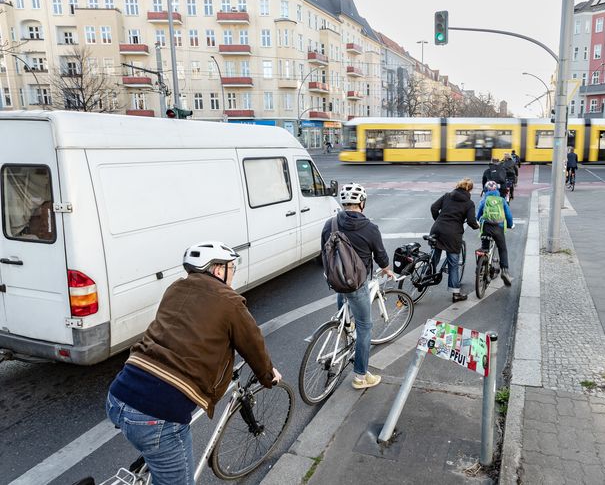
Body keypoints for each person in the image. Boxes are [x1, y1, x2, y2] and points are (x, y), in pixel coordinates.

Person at [106, 242, 280, 485]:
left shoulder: (175, 288)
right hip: (157, 414)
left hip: (118, 396)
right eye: (232, 267)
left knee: (154, 451)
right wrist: (268, 375)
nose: (233, 272)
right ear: (218, 270)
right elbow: (253, 343)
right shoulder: (229, 301)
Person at [321, 183, 394, 390]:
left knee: (345, 298)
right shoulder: (370, 228)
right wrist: (387, 269)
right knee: (365, 327)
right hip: (357, 284)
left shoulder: (330, 224)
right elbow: (380, 256)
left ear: (344, 204)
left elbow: (323, 252)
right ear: (362, 203)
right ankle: (360, 376)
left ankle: (344, 325)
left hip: (336, 280)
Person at [430, 178, 480, 302]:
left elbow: (433, 208)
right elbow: (471, 221)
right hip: (452, 234)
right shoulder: (469, 203)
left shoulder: (447, 196)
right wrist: (477, 226)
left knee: (435, 254)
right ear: (470, 189)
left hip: (437, 229)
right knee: (453, 263)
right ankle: (455, 294)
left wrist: (438, 220)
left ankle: (427, 274)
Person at [477, 181, 515, 285]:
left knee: (484, 248)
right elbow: (508, 215)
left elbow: (479, 214)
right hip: (498, 228)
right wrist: (510, 224)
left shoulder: (484, 200)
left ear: (486, 190)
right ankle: (504, 271)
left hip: (486, 227)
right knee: (502, 249)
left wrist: (478, 221)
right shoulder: (502, 200)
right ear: (497, 190)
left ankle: (480, 270)